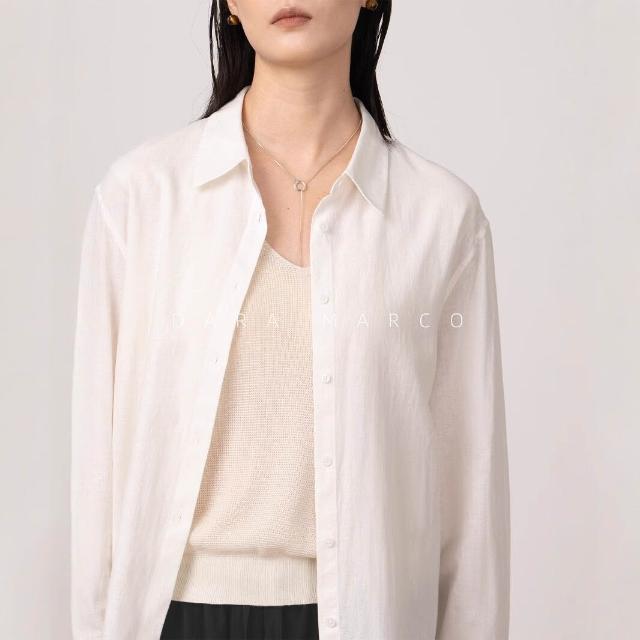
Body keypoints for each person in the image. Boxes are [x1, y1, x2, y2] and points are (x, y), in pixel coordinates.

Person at [70, 1, 511, 639]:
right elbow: (98, 472)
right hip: (175, 616)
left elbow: (470, 504)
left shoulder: (440, 219)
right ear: (228, 6)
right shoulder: (141, 198)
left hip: (365, 617)